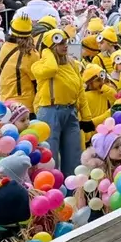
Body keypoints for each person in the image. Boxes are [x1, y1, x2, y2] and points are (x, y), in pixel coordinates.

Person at [31, 28, 84, 179]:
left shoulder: (72, 64)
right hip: (50, 112)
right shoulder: (39, 65)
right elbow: (51, 69)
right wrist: (46, 52)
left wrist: (85, 117)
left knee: (74, 155)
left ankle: (74, 192)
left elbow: (80, 89)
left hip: (71, 111)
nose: (65, 46)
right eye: (60, 43)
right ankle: (51, 192)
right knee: (50, 156)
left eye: (65, 42)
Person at [0, 14, 39, 112]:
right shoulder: (30, 53)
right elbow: (37, 79)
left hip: (5, 100)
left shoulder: (5, 46)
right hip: (24, 104)